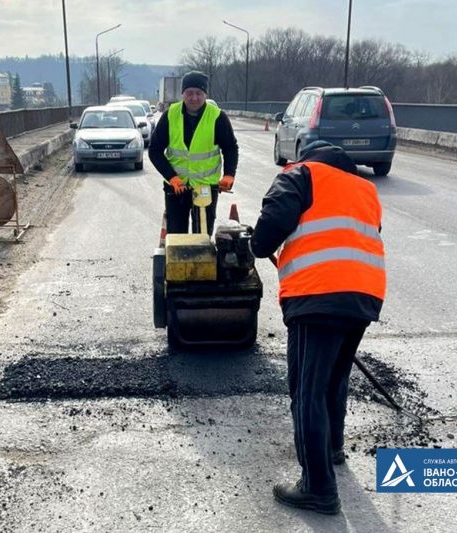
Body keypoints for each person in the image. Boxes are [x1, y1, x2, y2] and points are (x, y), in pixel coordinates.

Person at [250, 140, 386, 515]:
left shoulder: (300, 174)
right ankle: (332, 448)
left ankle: (318, 487)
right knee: (334, 376)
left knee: (307, 390)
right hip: (365, 294)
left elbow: (270, 229)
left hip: (318, 293)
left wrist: (256, 243)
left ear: (305, 157)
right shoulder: (365, 188)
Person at [148, 71, 239, 235]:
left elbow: (230, 148)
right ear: (182, 94)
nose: (194, 98)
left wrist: (229, 174)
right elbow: (154, 150)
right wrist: (171, 177)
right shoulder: (170, 115)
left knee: (202, 237)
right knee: (176, 238)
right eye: (189, 93)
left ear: (205, 94)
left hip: (205, 187)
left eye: (199, 93)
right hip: (177, 187)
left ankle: (201, 261)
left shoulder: (217, 117)